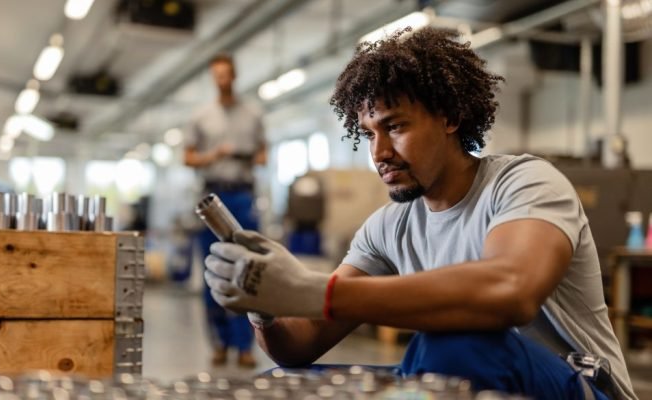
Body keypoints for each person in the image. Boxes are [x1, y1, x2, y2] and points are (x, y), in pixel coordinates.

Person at [202, 28, 637, 399]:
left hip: (580, 385)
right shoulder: (389, 227)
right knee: (280, 386)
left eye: (395, 127)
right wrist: (264, 302)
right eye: (370, 134)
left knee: (454, 346)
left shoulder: (525, 183)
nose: (380, 153)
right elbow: (301, 344)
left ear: (449, 117)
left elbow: (511, 292)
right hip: (479, 381)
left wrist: (315, 290)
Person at [183, 53, 266, 368]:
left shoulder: (253, 114)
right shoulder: (201, 116)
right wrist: (215, 155)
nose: (221, 80)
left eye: (226, 74)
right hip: (211, 197)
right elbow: (188, 157)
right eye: (215, 75)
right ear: (212, 78)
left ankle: (245, 346)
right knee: (213, 270)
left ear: (234, 76)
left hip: (243, 197)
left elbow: (263, 153)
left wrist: (250, 156)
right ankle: (219, 344)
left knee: (247, 270)